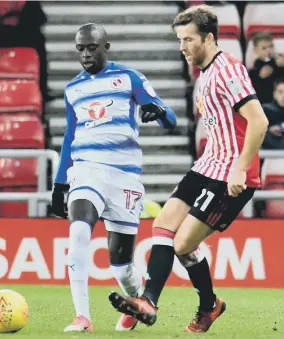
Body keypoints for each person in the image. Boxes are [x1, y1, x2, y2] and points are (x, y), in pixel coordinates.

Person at [109, 5, 269, 333]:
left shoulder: (228, 70)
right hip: (207, 165)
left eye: (188, 39)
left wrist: (240, 169)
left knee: (182, 245)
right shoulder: (204, 72)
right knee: (163, 225)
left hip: (230, 175)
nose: (182, 47)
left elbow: (259, 120)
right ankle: (149, 301)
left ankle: (207, 305)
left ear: (209, 38)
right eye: (179, 40)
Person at [51, 23, 177, 333]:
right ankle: (83, 317)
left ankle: (136, 300)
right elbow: (70, 136)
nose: (85, 54)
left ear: (106, 47)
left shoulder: (128, 78)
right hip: (86, 169)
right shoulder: (73, 89)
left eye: (91, 47)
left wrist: (158, 112)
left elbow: (170, 118)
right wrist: (59, 183)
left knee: (120, 266)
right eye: (80, 48)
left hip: (124, 176)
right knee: (79, 231)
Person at [249, 32, 284, 104]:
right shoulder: (254, 69)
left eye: (271, 46)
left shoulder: (279, 61)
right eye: (264, 48)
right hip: (265, 103)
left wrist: (282, 67)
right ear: (255, 50)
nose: (269, 50)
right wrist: (260, 77)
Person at [262, 78, 284, 149]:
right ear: (274, 94)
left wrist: (281, 129)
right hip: (269, 154)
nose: (283, 96)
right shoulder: (265, 110)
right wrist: (269, 130)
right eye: (280, 92)